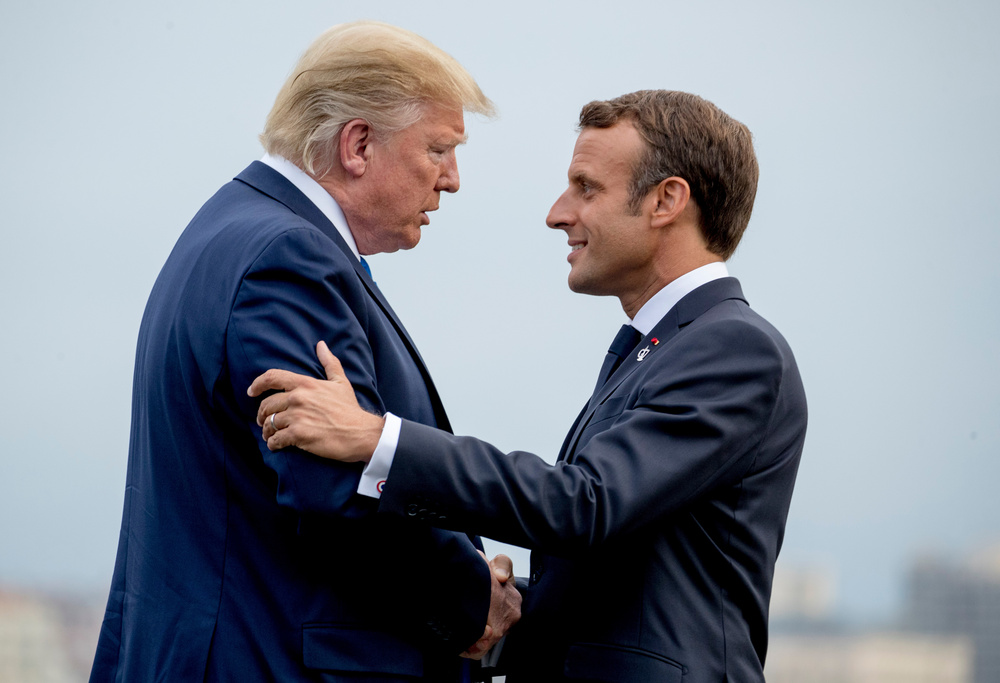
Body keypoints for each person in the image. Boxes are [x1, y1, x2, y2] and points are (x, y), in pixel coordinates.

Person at [248, 89, 808, 682]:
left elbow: (587, 504)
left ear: (666, 200)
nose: (558, 213)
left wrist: (374, 439)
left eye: (586, 187)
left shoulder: (735, 348)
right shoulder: (663, 347)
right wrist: (494, 606)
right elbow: (617, 577)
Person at [89, 21, 520, 683]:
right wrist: (470, 598)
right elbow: (335, 491)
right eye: (439, 149)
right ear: (358, 143)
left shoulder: (233, 231)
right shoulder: (286, 260)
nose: (453, 180)